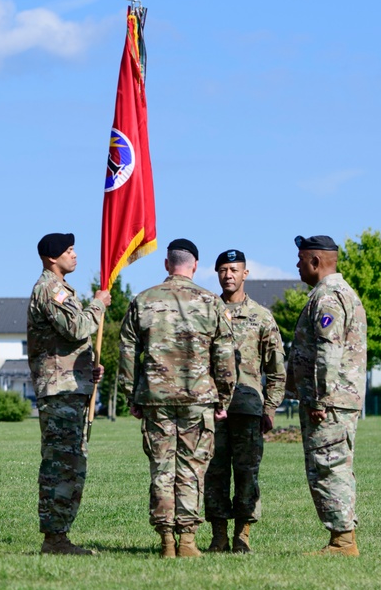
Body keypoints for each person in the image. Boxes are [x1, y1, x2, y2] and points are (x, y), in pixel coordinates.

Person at [119, 238, 235, 558]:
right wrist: (224, 398)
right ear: (194, 265)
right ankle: (187, 540)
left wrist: (131, 395)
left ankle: (167, 539)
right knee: (191, 468)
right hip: (198, 398)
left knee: (162, 468)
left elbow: (128, 352)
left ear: (167, 264)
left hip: (155, 398)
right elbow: (225, 357)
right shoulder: (211, 303)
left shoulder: (143, 300)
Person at [27, 234, 109, 555]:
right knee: (60, 463)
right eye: (68, 251)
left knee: (73, 462)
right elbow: (76, 328)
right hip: (59, 391)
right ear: (51, 258)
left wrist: (87, 368)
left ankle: (60, 535)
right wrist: (99, 304)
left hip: (71, 386)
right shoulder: (50, 289)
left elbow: (68, 342)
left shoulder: (61, 289)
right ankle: (54, 537)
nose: (75, 255)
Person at [287, 234, 367, 556]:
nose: (297, 265)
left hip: (330, 402)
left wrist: (319, 399)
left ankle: (342, 542)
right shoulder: (340, 292)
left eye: (301, 259)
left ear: (315, 262)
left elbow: (327, 352)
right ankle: (342, 539)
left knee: (328, 466)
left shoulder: (329, 297)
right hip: (338, 399)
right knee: (335, 465)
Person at [205, 249, 286, 553]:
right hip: (213, 407)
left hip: (249, 408)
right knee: (214, 471)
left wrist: (271, 408)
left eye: (234, 270)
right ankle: (218, 534)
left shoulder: (262, 317)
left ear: (245, 274)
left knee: (247, 471)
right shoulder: (207, 312)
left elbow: (277, 368)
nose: (228, 275)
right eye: (223, 270)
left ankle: (243, 534)